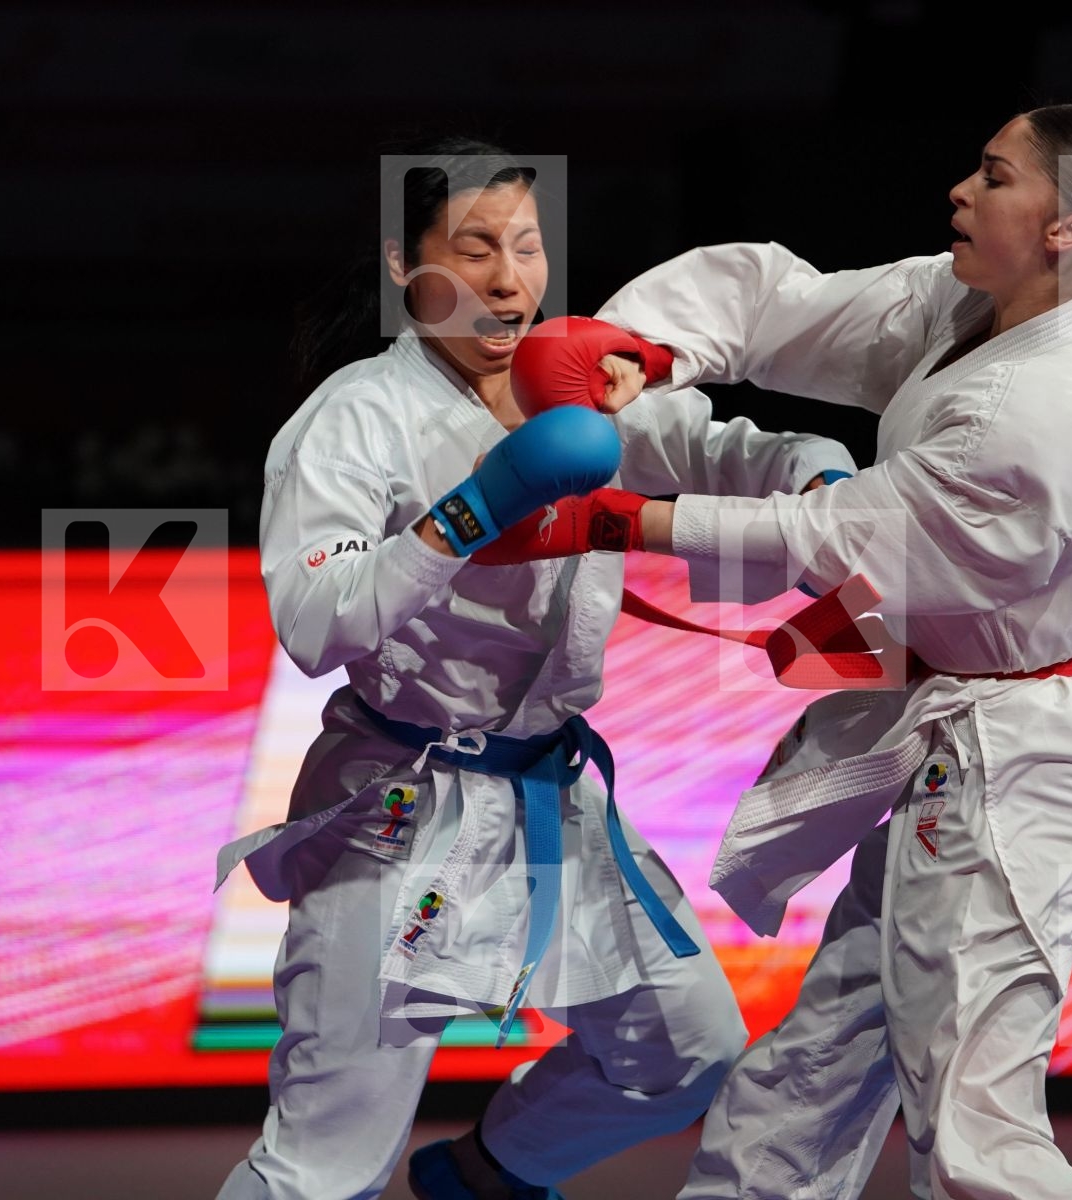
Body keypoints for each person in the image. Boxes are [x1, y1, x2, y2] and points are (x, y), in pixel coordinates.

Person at [477, 104, 1072, 1198]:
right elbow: (781, 304)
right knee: (794, 1102)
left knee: (975, 1143)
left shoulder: (1046, 400)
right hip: (946, 745)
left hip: (1014, 777)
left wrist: (615, 520)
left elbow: (835, 537)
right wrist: (638, 357)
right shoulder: (969, 309)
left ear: (1067, 231)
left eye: (994, 176)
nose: (962, 189)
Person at [211, 136, 859, 1200]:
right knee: (322, 1168)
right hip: (399, 806)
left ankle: (488, 1175)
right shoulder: (351, 422)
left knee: (684, 1051)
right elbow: (317, 625)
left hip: (553, 799)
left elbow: (739, 451)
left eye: (526, 247)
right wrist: (470, 513)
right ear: (401, 265)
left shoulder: (579, 384)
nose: (509, 281)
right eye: (474, 250)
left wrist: (820, 475)